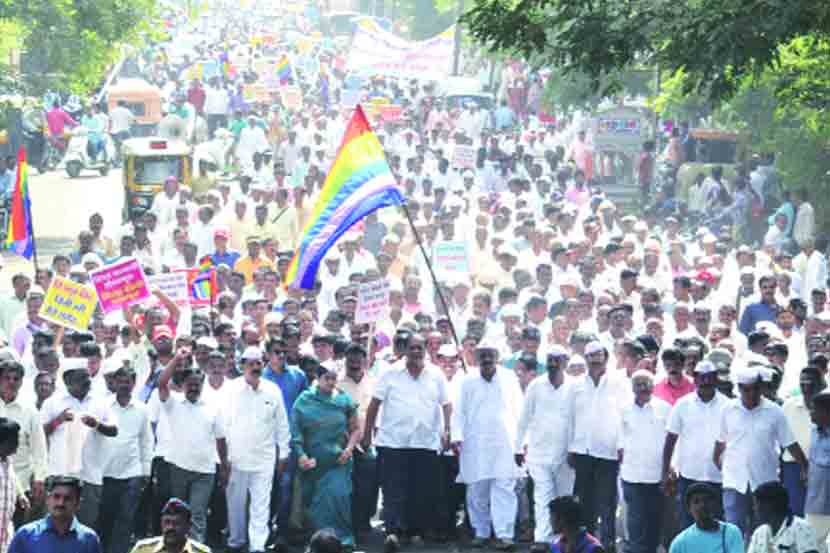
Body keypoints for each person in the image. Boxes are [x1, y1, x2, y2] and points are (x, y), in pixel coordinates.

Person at [362, 333, 451, 552]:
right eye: (412, 348)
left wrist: (447, 429)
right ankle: (392, 531)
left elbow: (446, 404)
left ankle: (412, 531)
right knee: (393, 490)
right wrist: (367, 435)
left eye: (420, 348)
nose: (416, 352)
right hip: (393, 442)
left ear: (425, 350)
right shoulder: (390, 373)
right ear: (405, 349)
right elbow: (374, 405)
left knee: (419, 490)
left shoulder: (436, 374)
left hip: (424, 442)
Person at [714, 366, 808, 539]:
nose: (752, 393)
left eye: (756, 388)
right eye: (747, 389)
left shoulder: (774, 411)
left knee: (764, 531)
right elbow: (720, 443)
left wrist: (804, 466)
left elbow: (790, 442)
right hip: (735, 481)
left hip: (765, 480)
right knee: (734, 530)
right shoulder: (728, 410)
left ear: (761, 388)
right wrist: (720, 465)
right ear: (740, 389)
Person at [452, 344, 522, 550]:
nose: (487, 359)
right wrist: (457, 437)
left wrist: (522, 442)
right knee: (476, 489)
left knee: (504, 488)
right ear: (476, 357)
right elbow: (459, 412)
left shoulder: (509, 378)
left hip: (504, 443)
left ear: (497, 357)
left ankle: (504, 534)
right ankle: (481, 532)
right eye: (483, 355)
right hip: (475, 443)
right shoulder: (467, 381)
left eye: (491, 355)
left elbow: (520, 409)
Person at [158, 348, 229, 545]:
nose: (194, 388)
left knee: (197, 515)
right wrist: (177, 359)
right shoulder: (174, 403)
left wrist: (224, 466)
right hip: (179, 467)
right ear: (183, 385)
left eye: (197, 385)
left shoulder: (212, 408)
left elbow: (221, 440)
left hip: (204, 471)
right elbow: (162, 383)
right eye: (190, 384)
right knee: (175, 514)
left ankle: (196, 548)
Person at [224, 346, 290, 553]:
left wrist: (284, 455)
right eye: (250, 363)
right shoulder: (231, 389)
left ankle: (257, 547)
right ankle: (236, 541)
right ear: (242, 365)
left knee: (261, 505)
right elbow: (222, 424)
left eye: (258, 363)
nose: (255, 367)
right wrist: (223, 458)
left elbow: (282, 425)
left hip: (264, 459)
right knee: (235, 504)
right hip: (236, 458)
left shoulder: (272, 390)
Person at [291, 364, 361, 548]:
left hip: (338, 462)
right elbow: (296, 433)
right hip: (314, 465)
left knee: (339, 498)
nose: (331, 382)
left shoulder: (344, 400)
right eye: (326, 378)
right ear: (318, 377)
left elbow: (355, 430)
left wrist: (349, 449)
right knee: (316, 507)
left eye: (333, 378)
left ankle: (341, 542)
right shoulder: (304, 400)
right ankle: (319, 544)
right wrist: (301, 455)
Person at [514, 347, 575, 551]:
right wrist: (517, 447)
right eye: (550, 360)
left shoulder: (574, 387)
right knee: (542, 496)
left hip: (566, 454)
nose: (553, 364)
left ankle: (564, 539)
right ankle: (543, 539)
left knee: (564, 498)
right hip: (539, 452)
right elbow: (523, 419)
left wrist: (574, 449)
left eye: (557, 360)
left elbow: (578, 421)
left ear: (565, 362)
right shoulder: (536, 386)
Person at [662, 360, 729, 529]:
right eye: (701, 377)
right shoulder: (682, 405)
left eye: (709, 377)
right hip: (689, 476)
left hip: (718, 477)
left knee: (718, 525)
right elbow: (670, 440)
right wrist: (665, 472)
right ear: (695, 379)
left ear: (716, 378)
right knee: (688, 525)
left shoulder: (728, 405)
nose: (706, 381)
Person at [619, 370, 670, 553]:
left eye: (646, 383)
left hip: (657, 475)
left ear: (653, 385)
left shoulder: (664, 409)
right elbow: (619, 440)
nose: (642, 387)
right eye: (638, 384)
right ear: (632, 388)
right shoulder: (624, 410)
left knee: (654, 522)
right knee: (636, 523)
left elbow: (672, 440)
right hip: (632, 475)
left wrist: (670, 468)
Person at [9, 475, 102, 552]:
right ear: (48, 499)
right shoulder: (26, 535)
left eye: (67, 498)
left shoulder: (89, 539)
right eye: (56, 497)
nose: (60, 503)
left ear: (78, 504)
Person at [668, 482, 743, 552]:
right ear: (689, 509)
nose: (702, 505)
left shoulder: (732, 533)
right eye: (696, 501)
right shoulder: (680, 543)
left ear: (716, 505)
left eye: (707, 500)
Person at [747, 481, 819, 553]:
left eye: (756, 504)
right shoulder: (759, 533)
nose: (754, 508)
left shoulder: (802, 527)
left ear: (769, 505)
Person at [129, 498, 211, 553]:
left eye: (177, 523)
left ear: (188, 526)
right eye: (167, 522)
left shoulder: (202, 552)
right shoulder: (143, 549)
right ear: (161, 523)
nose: (171, 527)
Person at [0, 417, 21, 549]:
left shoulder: (8, 462)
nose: (17, 446)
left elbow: (11, 479)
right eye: (14, 442)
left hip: (5, 530)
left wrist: (20, 495)